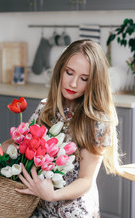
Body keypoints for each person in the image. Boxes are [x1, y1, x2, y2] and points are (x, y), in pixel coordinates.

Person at [15, 39, 121, 217]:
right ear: (60, 70)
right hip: (37, 209)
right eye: (69, 73)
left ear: (94, 81)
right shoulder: (45, 108)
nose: (73, 83)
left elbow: (86, 180)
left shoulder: (96, 121)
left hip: (72, 212)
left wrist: (52, 195)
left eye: (84, 78)